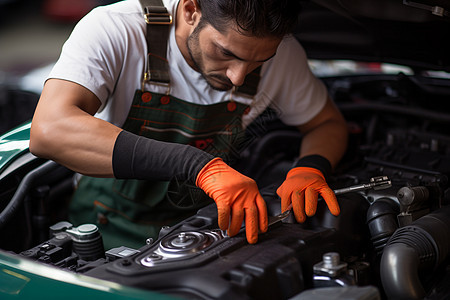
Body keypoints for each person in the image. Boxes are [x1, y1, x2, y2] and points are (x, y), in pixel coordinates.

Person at [29, 0, 348, 249]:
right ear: (191, 9)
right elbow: (49, 130)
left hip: (206, 228)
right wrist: (199, 167)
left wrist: (311, 167)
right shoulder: (117, 30)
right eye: (225, 52)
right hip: (104, 227)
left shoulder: (284, 56)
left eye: (258, 62)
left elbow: (325, 124)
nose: (238, 76)